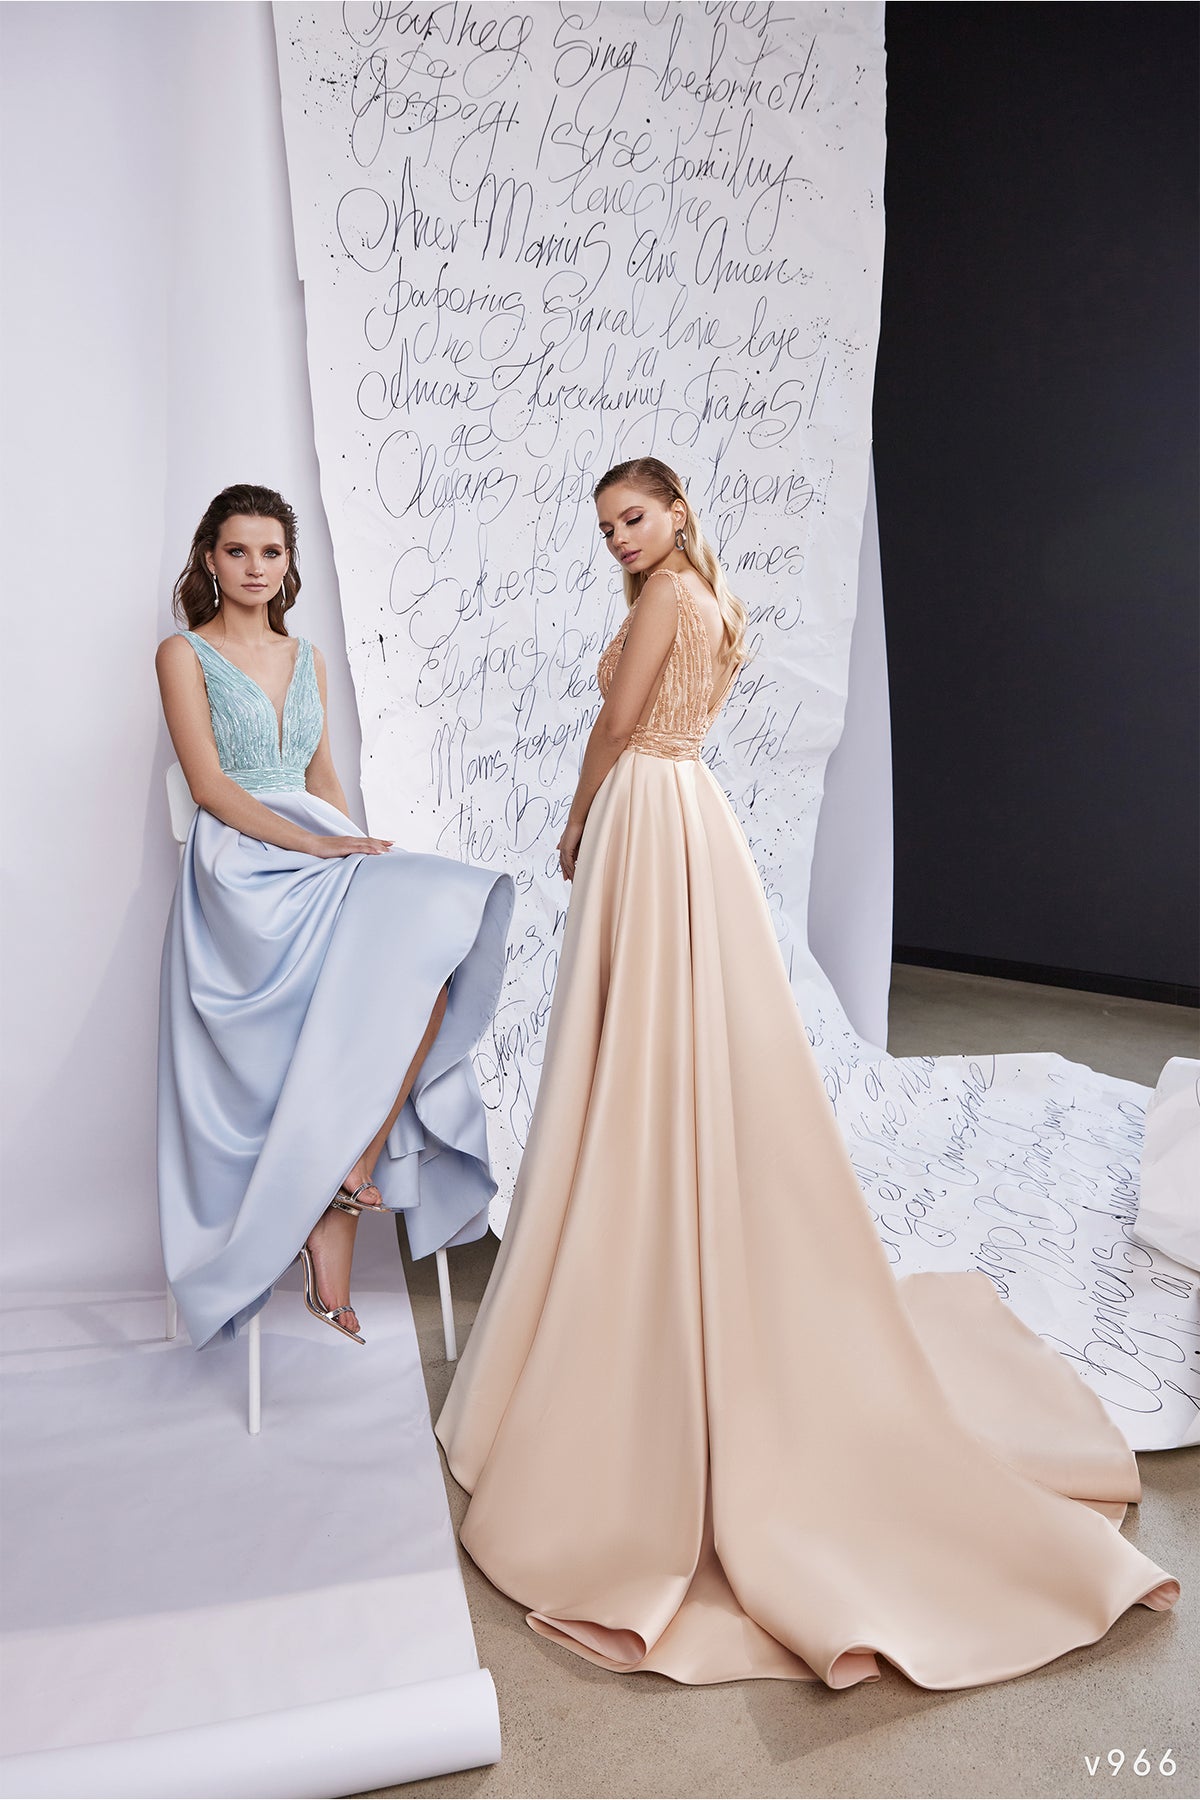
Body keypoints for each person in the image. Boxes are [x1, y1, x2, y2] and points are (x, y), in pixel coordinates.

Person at [435, 456, 1179, 1690]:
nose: (620, 539)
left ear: (676, 510)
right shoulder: (711, 599)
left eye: (634, 517)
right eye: (608, 527)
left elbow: (617, 728)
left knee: (642, 1041)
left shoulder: (667, 598)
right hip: (689, 815)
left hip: (647, 814)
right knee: (673, 1039)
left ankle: (642, 1249)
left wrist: (573, 818)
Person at [156, 483, 514, 1348]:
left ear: (288, 564)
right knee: (390, 969)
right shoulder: (183, 653)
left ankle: (351, 1169)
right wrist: (312, 846)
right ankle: (328, 1207)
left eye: (271, 552)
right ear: (210, 559)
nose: (254, 568)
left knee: (433, 951)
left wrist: (355, 854)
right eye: (237, 551)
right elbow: (208, 787)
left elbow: (321, 779)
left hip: (320, 848)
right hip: (240, 866)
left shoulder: (307, 656)